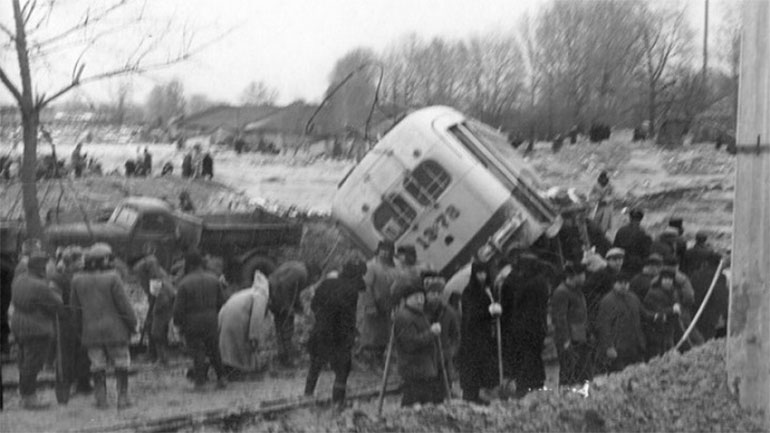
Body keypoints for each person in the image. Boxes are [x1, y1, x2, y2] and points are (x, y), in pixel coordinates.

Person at [71, 244, 137, 409]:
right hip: (115, 330)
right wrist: (133, 323)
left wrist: (80, 330)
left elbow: (75, 310)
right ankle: (123, 398)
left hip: (91, 332)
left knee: (97, 365)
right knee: (121, 362)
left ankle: (101, 399)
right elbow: (124, 305)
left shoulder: (77, 280)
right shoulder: (113, 277)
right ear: (104, 259)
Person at [305, 259, 366, 409]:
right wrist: (352, 336)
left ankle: (306, 396)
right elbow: (348, 319)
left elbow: (313, 305)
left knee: (315, 365)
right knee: (342, 370)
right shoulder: (351, 292)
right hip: (338, 337)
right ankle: (338, 403)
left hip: (320, 332)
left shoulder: (326, 283)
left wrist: (323, 319)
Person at [10, 251, 63, 409]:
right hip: (36, 328)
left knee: (24, 361)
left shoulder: (19, 279)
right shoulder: (40, 286)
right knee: (33, 364)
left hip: (19, 324)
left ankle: (24, 394)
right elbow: (57, 305)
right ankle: (29, 398)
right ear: (41, 268)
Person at [173, 250, 227, 390]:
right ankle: (222, 378)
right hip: (211, 320)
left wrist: (178, 324)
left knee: (198, 351)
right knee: (214, 349)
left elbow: (178, 309)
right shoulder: (214, 279)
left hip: (192, 323)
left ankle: (200, 383)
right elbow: (222, 302)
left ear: (188, 265)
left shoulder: (184, 284)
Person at [500, 252, 550, 396]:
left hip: (516, 328)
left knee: (521, 360)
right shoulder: (539, 282)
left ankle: (523, 387)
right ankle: (533, 387)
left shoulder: (512, 280)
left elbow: (506, 305)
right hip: (534, 327)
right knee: (533, 359)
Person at [394, 283, 444, 407]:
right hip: (413, 367)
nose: (420, 301)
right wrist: (431, 333)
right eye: (416, 298)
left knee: (421, 401)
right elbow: (410, 343)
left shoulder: (419, 314)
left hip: (423, 366)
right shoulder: (404, 317)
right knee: (414, 402)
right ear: (407, 299)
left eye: (422, 297)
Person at [50, 246, 92, 395]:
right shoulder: (59, 277)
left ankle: (83, 383)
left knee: (83, 352)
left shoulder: (83, 275)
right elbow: (55, 300)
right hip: (66, 321)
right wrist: (65, 315)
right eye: (79, 260)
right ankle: (68, 384)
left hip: (82, 319)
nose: (83, 262)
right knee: (67, 354)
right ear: (71, 261)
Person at [457, 261, 499, 404]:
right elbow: (470, 316)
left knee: (485, 370)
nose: (482, 276)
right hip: (473, 339)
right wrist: (488, 312)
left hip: (485, 336)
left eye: (484, 273)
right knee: (474, 371)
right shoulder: (469, 292)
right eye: (479, 273)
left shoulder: (487, 289)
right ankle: (472, 398)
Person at [218, 271, 271, 377]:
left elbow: (223, 309)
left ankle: (228, 370)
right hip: (237, 322)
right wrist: (254, 337)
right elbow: (257, 317)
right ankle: (243, 372)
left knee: (229, 351)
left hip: (224, 320)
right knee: (243, 352)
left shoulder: (245, 293)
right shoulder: (261, 295)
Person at [359, 240, 399, 370]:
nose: (385, 253)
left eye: (388, 251)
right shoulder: (371, 266)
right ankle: (368, 360)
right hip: (374, 304)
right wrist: (370, 305)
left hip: (389, 305)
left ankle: (380, 359)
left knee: (385, 334)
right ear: (378, 250)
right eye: (383, 250)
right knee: (372, 334)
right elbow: (366, 287)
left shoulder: (395, 266)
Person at [595, 273, 647, 373]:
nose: (624, 286)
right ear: (614, 284)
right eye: (620, 283)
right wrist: (609, 346)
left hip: (634, 346)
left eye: (626, 283)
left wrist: (661, 314)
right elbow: (603, 326)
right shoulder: (607, 301)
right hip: (618, 348)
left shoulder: (633, 298)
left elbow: (644, 314)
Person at [268, 260, 316, 367]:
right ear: (314, 274)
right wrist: (288, 307)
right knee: (287, 327)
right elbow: (285, 285)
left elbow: (294, 291)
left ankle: (282, 356)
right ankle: (287, 359)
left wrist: (300, 308)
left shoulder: (297, 266)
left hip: (273, 292)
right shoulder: (302, 273)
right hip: (279, 295)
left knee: (279, 327)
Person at [551, 262, 591, 387]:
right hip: (570, 340)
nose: (584, 277)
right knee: (569, 374)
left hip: (579, 337)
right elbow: (560, 319)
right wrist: (566, 341)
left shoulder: (577, 291)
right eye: (582, 274)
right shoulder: (562, 292)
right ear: (574, 276)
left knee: (581, 373)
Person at [423, 271, 460, 390]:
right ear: (426, 295)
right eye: (432, 293)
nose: (435, 296)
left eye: (439, 293)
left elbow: (456, 335)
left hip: (443, 354)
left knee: (444, 385)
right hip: (424, 354)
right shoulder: (420, 312)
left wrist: (451, 352)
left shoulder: (449, 312)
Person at [584, 247, 625, 332]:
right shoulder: (602, 274)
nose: (618, 262)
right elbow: (589, 291)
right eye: (614, 259)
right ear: (608, 261)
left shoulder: (619, 274)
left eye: (620, 259)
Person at [643, 269, 681, 359]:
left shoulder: (674, 292)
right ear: (661, 280)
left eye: (670, 279)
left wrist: (677, 309)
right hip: (656, 331)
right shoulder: (653, 293)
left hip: (669, 330)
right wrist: (672, 310)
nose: (668, 282)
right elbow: (655, 310)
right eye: (665, 279)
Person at [691, 253, 728, 341]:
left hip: (696, 312)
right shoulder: (720, 278)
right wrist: (725, 314)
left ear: (706, 263)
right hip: (711, 315)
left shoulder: (696, 275)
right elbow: (721, 297)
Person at [613, 208, 652, 275]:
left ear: (630, 218)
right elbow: (647, 252)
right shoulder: (644, 233)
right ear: (641, 219)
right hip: (637, 265)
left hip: (623, 262)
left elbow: (615, 247)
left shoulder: (621, 231)